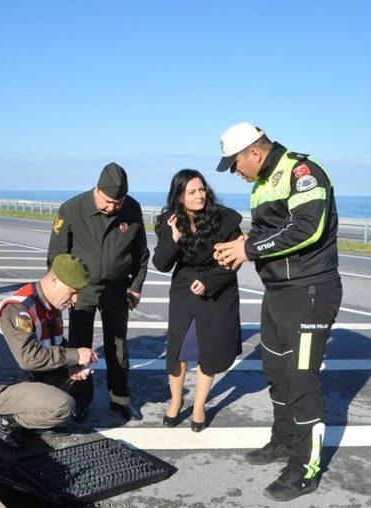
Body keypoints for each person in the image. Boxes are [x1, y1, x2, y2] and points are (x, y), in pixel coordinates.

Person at [214, 122, 341, 502]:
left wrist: (248, 250)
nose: (234, 171)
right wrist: (241, 243)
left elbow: (308, 228)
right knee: (276, 372)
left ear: (254, 152)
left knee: (301, 381)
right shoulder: (260, 184)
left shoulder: (302, 171)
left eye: (235, 163)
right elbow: (267, 231)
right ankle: (284, 441)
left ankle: (306, 468)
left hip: (310, 292)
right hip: (278, 293)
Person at [47, 162, 149, 422]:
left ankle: (120, 399)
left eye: (118, 202)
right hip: (82, 291)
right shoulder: (71, 209)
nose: (113, 207)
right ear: (97, 189)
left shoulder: (133, 208)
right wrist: (66, 291)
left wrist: (135, 287)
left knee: (117, 346)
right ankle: (81, 400)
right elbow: (57, 257)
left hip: (117, 290)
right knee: (80, 346)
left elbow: (141, 254)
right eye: (107, 201)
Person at [0, 254, 99, 448]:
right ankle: (3, 423)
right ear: (55, 281)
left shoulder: (49, 306)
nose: (75, 300)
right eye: (72, 292)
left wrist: (75, 365)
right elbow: (29, 358)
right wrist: (75, 355)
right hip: (1, 386)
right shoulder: (19, 308)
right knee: (62, 406)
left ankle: (33, 420)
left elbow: (55, 344)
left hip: (25, 377)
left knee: (80, 375)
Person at [152, 169, 242, 432]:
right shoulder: (168, 220)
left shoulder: (223, 219)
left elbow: (235, 258)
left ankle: (200, 405)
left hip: (217, 287)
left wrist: (210, 281)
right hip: (183, 289)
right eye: (192, 192)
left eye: (201, 189)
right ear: (180, 197)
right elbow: (161, 263)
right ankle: (176, 399)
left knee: (208, 351)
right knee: (178, 350)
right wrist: (175, 238)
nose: (199, 195)